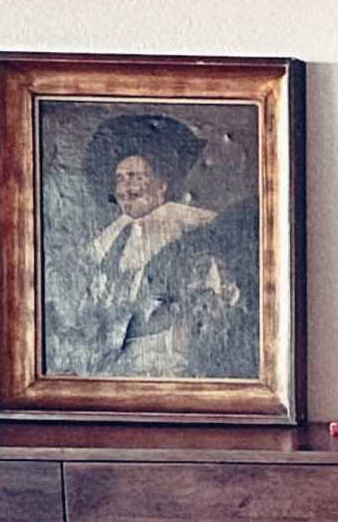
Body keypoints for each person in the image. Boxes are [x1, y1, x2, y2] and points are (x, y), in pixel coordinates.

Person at [54, 114, 251, 378]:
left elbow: (208, 310)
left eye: (135, 177)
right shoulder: (112, 241)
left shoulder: (191, 231)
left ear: (161, 185)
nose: (126, 187)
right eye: (120, 179)